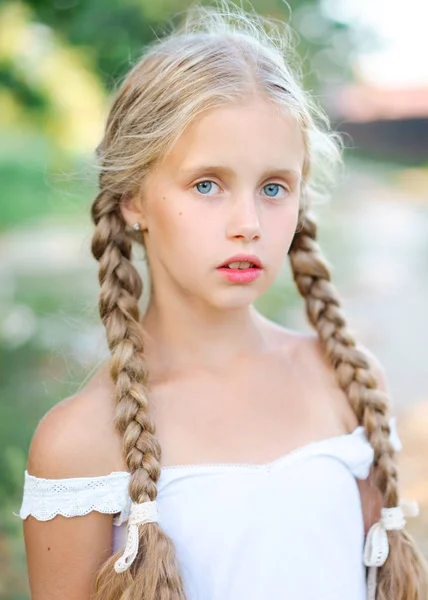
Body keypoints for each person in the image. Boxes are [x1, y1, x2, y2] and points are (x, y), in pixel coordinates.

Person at [17, 2, 428, 600]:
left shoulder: (344, 380)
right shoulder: (79, 443)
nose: (248, 223)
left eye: (273, 187)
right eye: (207, 184)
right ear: (134, 198)